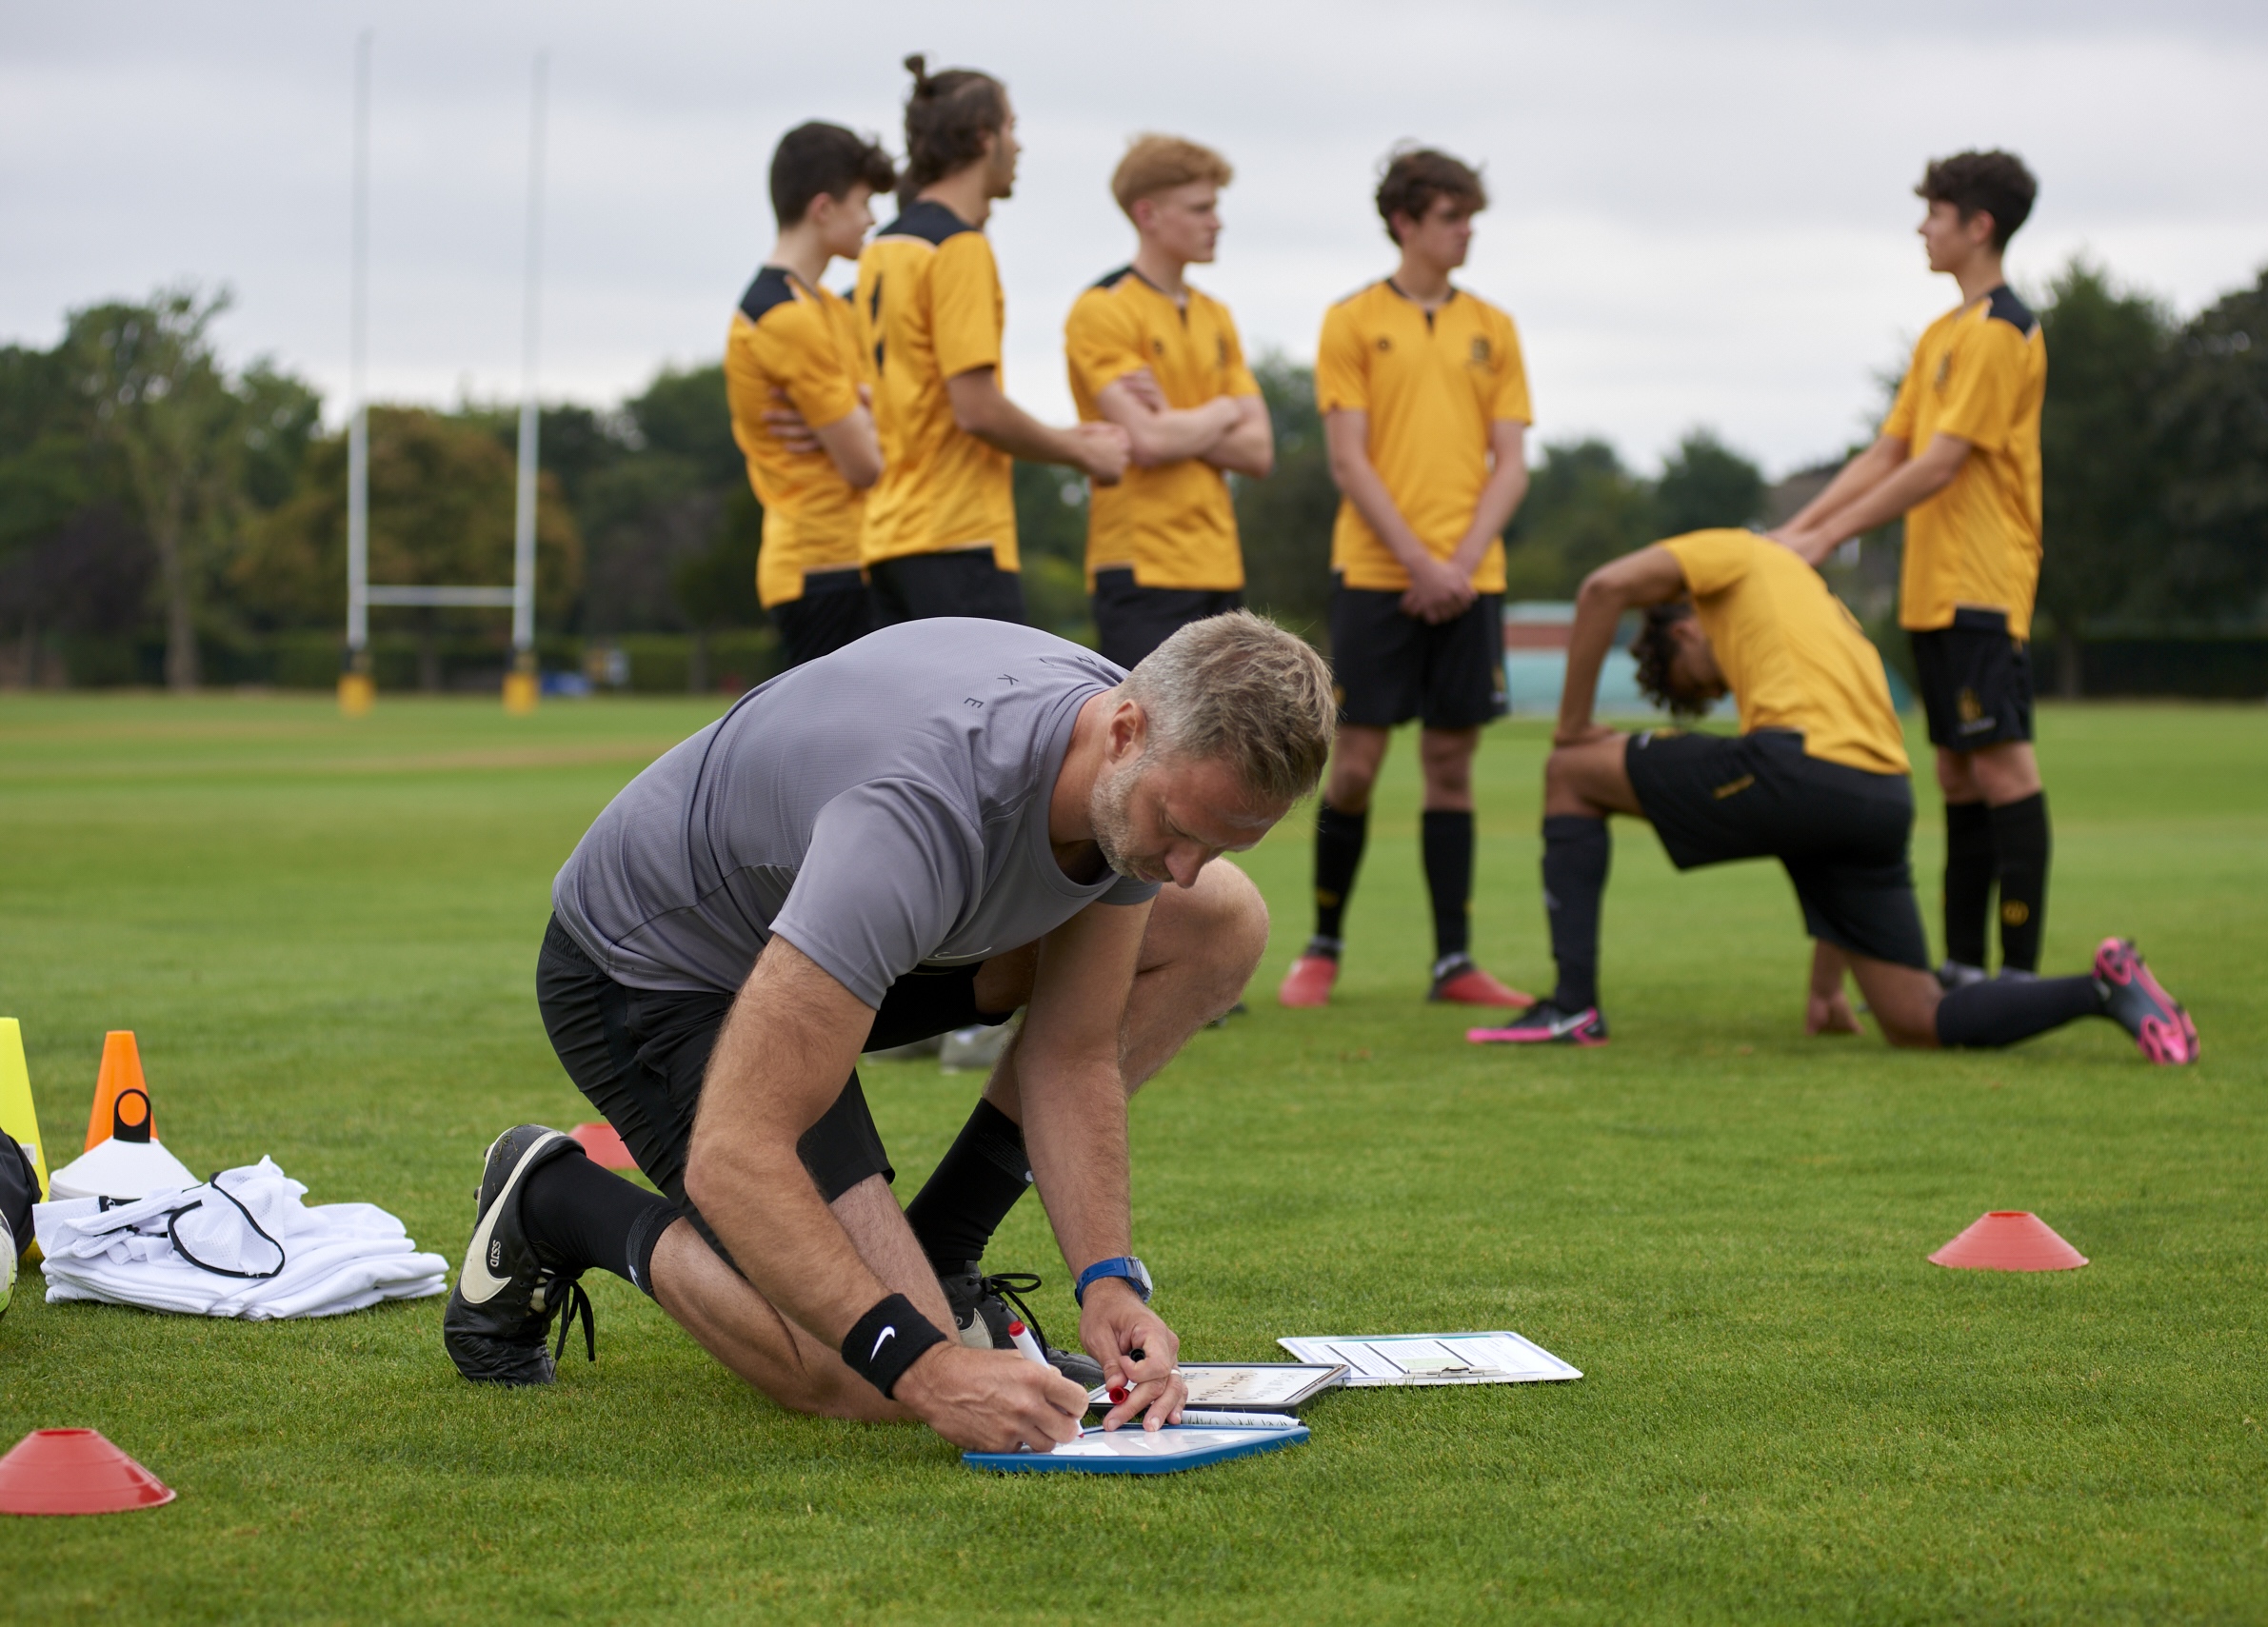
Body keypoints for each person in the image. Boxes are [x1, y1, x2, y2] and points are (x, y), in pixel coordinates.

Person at [442, 612, 1337, 1455]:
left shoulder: (1125, 761)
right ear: (1126, 730)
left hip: (857, 929)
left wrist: (1107, 1277)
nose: (1181, 866)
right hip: (660, 964)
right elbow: (737, 1153)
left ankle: (939, 1255)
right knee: (863, 1375)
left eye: (1218, 842)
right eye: (1178, 829)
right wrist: (930, 1366)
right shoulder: (917, 812)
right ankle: (555, 1200)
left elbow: (1071, 1052)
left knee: (1221, 920)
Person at [1468, 528, 2196, 1064]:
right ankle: (2104, 988)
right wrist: (1826, 986)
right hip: (1879, 797)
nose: (1719, 690)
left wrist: (1571, 729)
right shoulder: (1819, 608)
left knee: (1569, 773)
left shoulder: (1739, 555)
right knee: (1915, 1016)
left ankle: (1572, 1007)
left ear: (1683, 624)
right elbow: (1819, 828)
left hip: (1800, 770)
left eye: (1701, 680)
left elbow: (1601, 588)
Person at [1771, 151, 2050, 991]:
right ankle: (1964, 964)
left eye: (1936, 212)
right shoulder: (1941, 333)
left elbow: (1939, 465)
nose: (1922, 227)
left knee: (2004, 769)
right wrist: (1798, 529)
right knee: (1957, 772)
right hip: (1933, 589)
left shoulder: (2003, 331)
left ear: (1979, 226)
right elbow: (1889, 449)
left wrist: (1829, 540)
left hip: (1982, 584)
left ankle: (2020, 972)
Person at [1277, 147, 1535, 1011]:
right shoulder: (1351, 320)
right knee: (1353, 764)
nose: (1466, 233)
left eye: (1470, 218)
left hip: (1471, 580)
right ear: (1407, 222)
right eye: (1453, 217)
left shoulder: (1493, 325)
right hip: (1379, 574)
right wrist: (1419, 563)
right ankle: (1322, 946)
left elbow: (1512, 463)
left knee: (1452, 767)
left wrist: (1457, 565)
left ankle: (1453, 962)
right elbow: (1349, 459)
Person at [847, 57, 1129, 627]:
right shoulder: (959, 247)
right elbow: (975, 409)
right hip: (956, 536)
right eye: (1011, 128)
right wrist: (1079, 448)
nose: (1018, 146)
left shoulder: (882, 247)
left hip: (886, 538)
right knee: (989, 716)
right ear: (983, 138)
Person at [1065, 135, 1274, 669]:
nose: (1217, 222)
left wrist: (1180, 422)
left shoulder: (1216, 314)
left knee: (1230, 749)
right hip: (1142, 565)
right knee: (1151, 743)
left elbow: (1259, 453)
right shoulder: (1101, 310)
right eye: (1201, 208)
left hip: (1218, 565)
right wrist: (1225, 409)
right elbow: (1150, 442)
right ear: (1148, 214)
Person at [726, 121, 895, 668]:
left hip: (847, 560)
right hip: (819, 568)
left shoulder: (825, 307)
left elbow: (876, 414)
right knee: (835, 751)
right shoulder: (782, 317)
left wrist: (863, 411)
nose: (871, 218)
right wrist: (862, 417)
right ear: (824, 208)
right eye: (864, 202)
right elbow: (864, 464)